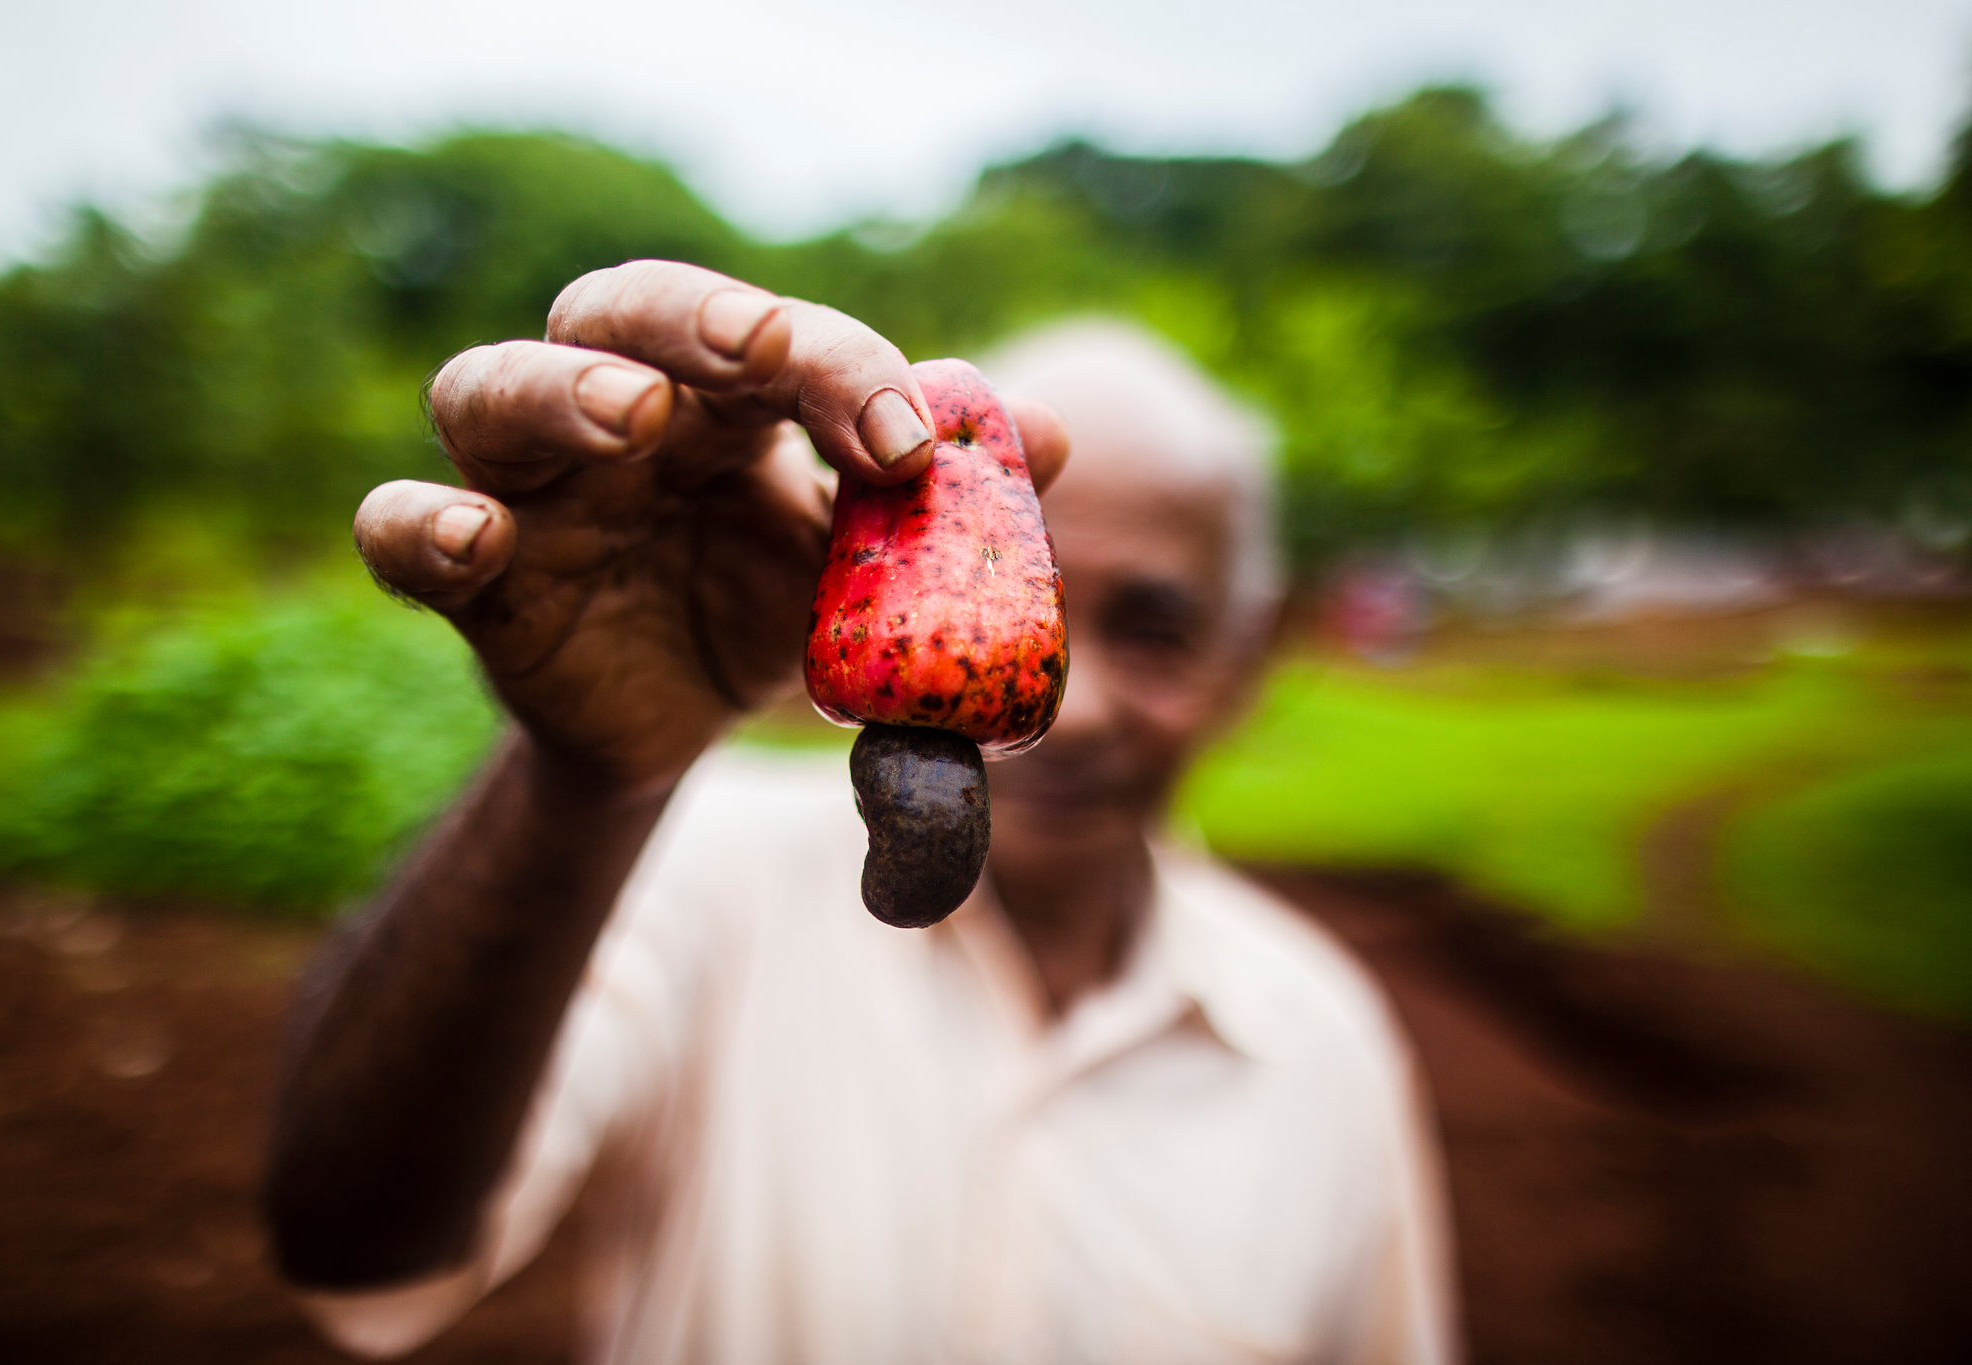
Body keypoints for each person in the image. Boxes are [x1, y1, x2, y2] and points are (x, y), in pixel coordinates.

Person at [265, 260, 1459, 1364]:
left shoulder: (1322, 1042)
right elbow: (351, 1249)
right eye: (1034, 588)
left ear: (1245, 658)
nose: (1074, 707)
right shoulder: (696, 861)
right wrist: (585, 781)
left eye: (1152, 628)